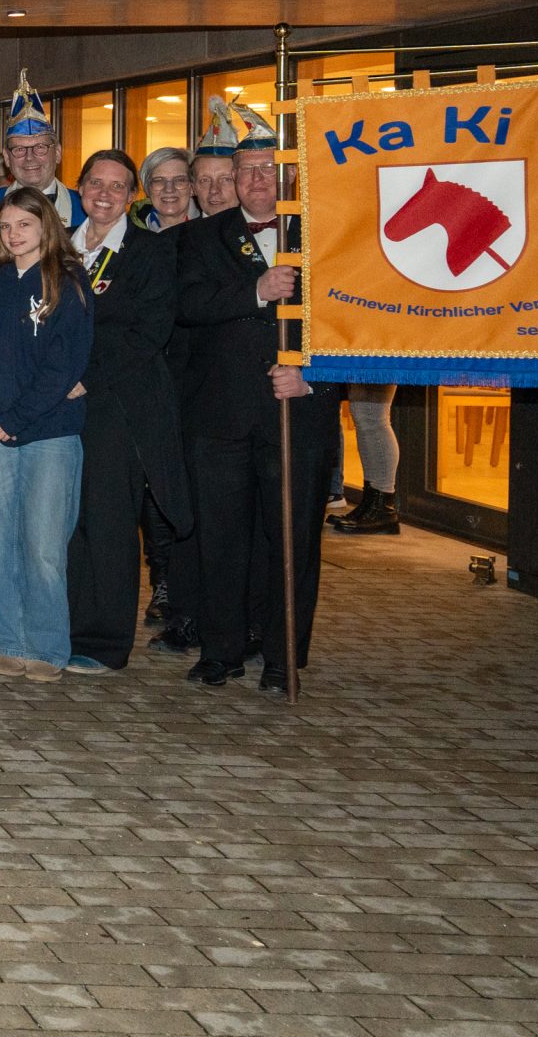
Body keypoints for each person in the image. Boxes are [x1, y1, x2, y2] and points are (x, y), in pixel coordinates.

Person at [175, 100, 338, 696]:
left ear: (288, 174)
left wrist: (312, 375)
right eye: (245, 170)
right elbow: (187, 308)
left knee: (290, 539)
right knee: (221, 538)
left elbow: (352, 324)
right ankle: (220, 651)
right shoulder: (199, 237)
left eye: (268, 168)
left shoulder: (326, 234)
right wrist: (256, 290)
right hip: (218, 417)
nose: (256, 179)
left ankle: (282, 656)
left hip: (299, 410)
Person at [64, 150, 190, 674]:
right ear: (80, 187)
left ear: (132, 195)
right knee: (68, 523)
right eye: (96, 183)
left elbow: (146, 333)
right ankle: (66, 626)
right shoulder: (61, 248)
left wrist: (84, 379)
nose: (105, 194)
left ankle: (104, 641)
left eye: (118, 186)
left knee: (108, 523)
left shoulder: (150, 252)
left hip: (117, 406)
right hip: (59, 408)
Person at [0, 186, 92, 682]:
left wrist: (15, 418)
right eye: (6, 227)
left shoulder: (68, 283)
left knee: (43, 546)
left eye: (25, 225)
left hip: (49, 433)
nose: (14, 234)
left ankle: (46, 645)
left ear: (47, 226)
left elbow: (64, 368)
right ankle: (8, 639)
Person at [0, 72, 85, 231]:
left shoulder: (86, 209)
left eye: (40, 147)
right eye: (20, 149)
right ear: (7, 158)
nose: (30, 157)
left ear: (57, 153)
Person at [329, 386, 402, 534]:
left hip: (380, 362)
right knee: (363, 414)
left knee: (372, 416)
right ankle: (371, 503)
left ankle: (383, 508)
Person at [189, 103, 241, 218]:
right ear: (193, 188)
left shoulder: (262, 232)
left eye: (226, 179)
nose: (214, 190)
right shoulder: (180, 235)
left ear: (241, 183)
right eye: (205, 180)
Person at [139, 146, 197, 230]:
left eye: (179, 180)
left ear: (192, 187)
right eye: (158, 180)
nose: (169, 189)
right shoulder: (129, 232)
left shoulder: (211, 229)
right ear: (147, 188)